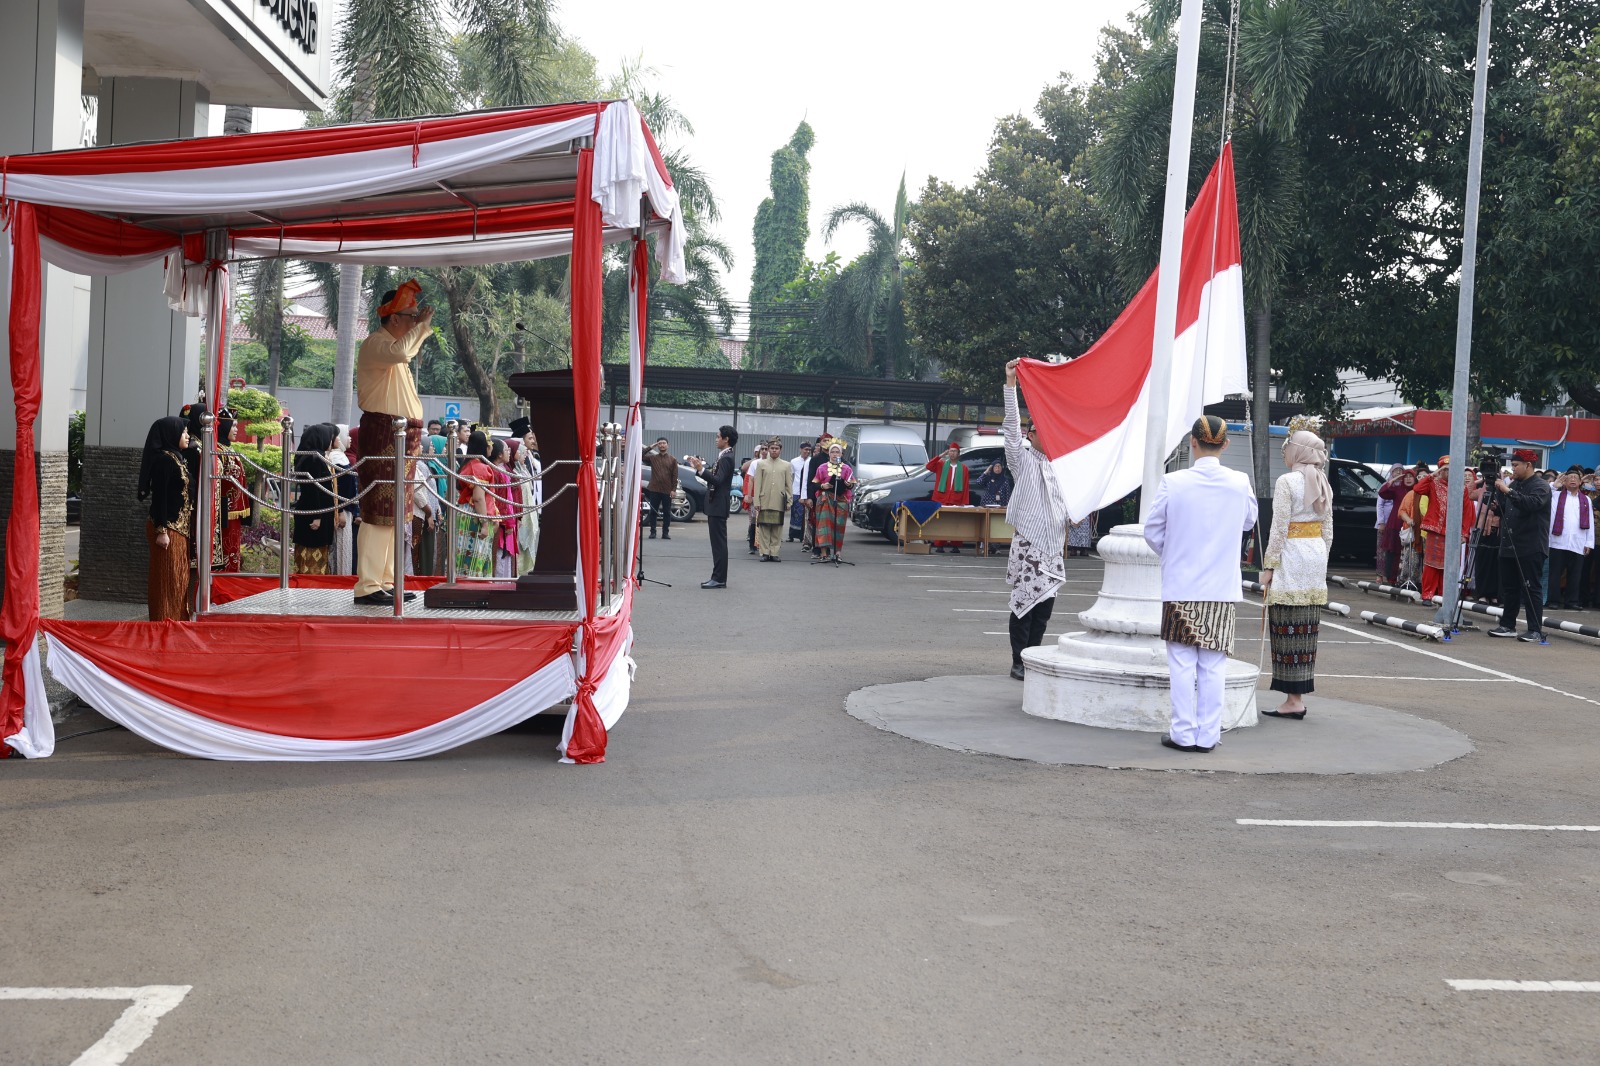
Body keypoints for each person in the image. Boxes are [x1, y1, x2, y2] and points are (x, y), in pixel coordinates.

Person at [1144, 414, 1258, 753]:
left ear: (1192, 442)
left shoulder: (1173, 482)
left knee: (1181, 664)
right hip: (1221, 588)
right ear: (1225, 444)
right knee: (1213, 664)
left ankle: (1182, 733)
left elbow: (1152, 531)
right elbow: (1249, 521)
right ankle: (1208, 735)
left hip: (1181, 586)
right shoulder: (1239, 482)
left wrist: (1173, 554)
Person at [354, 279, 430, 606]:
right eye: (411, 316)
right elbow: (402, 350)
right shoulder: (376, 344)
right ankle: (369, 584)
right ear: (394, 318)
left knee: (396, 512)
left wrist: (421, 327)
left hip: (400, 435)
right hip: (385, 433)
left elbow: (405, 350)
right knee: (379, 510)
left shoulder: (392, 351)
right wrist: (424, 327)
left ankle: (385, 581)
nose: (415, 322)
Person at [1001, 360, 1070, 681]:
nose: (1038, 431)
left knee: (1044, 609)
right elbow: (1012, 430)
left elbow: (1066, 503)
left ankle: (1032, 658)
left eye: (1041, 427)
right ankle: (1018, 661)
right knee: (1024, 604)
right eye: (1035, 428)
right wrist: (1011, 385)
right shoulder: (1022, 459)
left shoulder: (1061, 467)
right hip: (1029, 543)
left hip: (1053, 546)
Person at [1260, 426, 1334, 719]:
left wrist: (1268, 565)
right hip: (1314, 554)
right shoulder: (1323, 481)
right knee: (1307, 627)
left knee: (1285, 623)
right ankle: (1296, 697)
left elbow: (1278, 528)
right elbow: (1328, 529)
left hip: (1292, 554)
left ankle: (1292, 700)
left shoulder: (1287, 481)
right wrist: (1320, 557)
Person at [1487, 449, 1552, 641]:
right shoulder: (1515, 484)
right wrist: (1496, 505)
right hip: (1509, 543)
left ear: (1528, 465)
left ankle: (1535, 629)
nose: (1513, 469)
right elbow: (1507, 511)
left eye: (1516, 465)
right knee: (1510, 588)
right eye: (1512, 465)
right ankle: (1508, 625)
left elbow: (1531, 504)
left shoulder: (1541, 486)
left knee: (1531, 588)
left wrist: (1507, 491)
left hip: (1530, 545)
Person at [138, 415, 194, 621]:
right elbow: (159, 497)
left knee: (178, 580)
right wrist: (161, 531)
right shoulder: (164, 461)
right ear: (171, 434)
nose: (187, 436)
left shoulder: (177, 457)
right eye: (184, 432)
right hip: (167, 530)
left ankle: (176, 621)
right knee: (167, 581)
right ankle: (163, 623)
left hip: (179, 530)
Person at [1412, 457, 1474, 603]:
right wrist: (1433, 474)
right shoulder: (1433, 483)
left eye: (1450, 469)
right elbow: (1417, 489)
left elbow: (1467, 512)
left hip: (1453, 533)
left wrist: (1464, 533)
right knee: (1431, 565)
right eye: (1445, 469)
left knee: (1450, 566)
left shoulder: (1461, 487)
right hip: (1435, 530)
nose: (1448, 472)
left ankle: (1444, 596)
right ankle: (1427, 595)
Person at [690, 425, 737, 588]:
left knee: (719, 544)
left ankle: (719, 578)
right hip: (716, 504)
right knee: (717, 543)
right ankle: (717, 577)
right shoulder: (724, 455)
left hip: (718, 505)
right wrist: (700, 470)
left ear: (726, 439)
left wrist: (701, 469)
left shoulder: (727, 457)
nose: (716, 439)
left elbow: (717, 480)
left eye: (718, 437)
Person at [292, 422, 341, 575]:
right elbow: (313, 489)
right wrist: (317, 516)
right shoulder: (314, 459)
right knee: (312, 559)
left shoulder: (309, 456)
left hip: (315, 512)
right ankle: (312, 587)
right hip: (314, 516)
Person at [454, 431, 498, 579]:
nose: (491, 448)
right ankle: (473, 591)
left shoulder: (470, 464)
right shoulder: (479, 468)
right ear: (484, 447)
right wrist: (484, 524)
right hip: (476, 516)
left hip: (470, 513)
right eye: (489, 444)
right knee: (474, 557)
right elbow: (478, 498)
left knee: (467, 556)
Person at [1547, 468, 1592, 611]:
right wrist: (1555, 484)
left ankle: (1571, 601)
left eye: (1575, 477)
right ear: (1564, 481)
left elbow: (1590, 521)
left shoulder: (1586, 500)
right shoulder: (1555, 495)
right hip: (1558, 541)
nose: (1572, 479)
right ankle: (1553, 600)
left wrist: (1588, 543)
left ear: (1580, 482)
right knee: (1555, 573)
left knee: (1575, 574)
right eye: (1569, 477)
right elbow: (1546, 491)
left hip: (1578, 542)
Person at [811, 441, 856, 562]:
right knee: (824, 526)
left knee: (839, 527)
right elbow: (814, 484)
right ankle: (824, 553)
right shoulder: (822, 467)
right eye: (832, 452)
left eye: (837, 452)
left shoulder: (846, 468)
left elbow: (852, 484)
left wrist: (848, 485)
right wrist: (822, 486)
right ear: (829, 453)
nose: (835, 454)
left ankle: (837, 553)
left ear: (841, 454)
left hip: (841, 500)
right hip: (825, 499)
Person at [752, 438, 794, 561]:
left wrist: (789, 501)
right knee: (764, 528)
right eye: (772, 448)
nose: (774, 450)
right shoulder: (761, 464)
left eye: (777, 448)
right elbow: (757, 483)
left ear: (780, 450)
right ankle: (765, 552)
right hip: (764, 500)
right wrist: (757, 501)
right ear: (768, 450)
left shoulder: (786, 465)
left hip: (779, 500)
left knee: (777, 528)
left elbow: (789, 485)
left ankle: (774, 553)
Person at [925, 440, 970, 553]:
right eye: (950, 451)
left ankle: (956, 545)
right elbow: (929, 466)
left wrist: (964, 502)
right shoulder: (941, 464)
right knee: (941, 522)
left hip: (956, 499)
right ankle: (940, 545)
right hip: (941, 499)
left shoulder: (963, 468)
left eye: (954, 451)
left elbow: (965, 486)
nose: (952, 453)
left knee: (955, 523)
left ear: (958, 454)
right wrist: (940, 456)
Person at [508, 423, 540, 573]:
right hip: (518, 516)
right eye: (529, 438)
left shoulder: (526, 464)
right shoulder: (512, 471)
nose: (532, 442)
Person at [643, 435, 679, 540]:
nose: (662, 445)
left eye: (664, 443)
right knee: (653, 511)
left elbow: (675, 475)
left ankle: (665, 533)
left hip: (667, 490)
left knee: (667, 512)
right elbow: (640, 455)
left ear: (668, 445)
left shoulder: (672, 459)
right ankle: (653, 532)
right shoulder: (653, 458)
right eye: (660, 443)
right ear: (657, 445)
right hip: (654, 488)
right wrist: (651, 447)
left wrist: (673, 489)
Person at [803, 432, 831, 553]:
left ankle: (828, 548)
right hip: (817, 494)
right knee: (817, 522)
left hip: (832, 495)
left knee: (829, 523)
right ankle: (816, 548)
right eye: (824, 441)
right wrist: (808, 497)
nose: (826, 443)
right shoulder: (815, 460)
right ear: (820, 443)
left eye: (829, 441)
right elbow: (810, 480)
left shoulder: (835, 458)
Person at [788, 440, 813, 542]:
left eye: (809, 450)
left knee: (805, 515)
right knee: (795, 514)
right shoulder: (794, 461)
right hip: (796, 491)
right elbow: (790, 476)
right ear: (801, 449)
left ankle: (803, 536)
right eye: (805, 449)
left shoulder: (811, 461)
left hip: (806, 491)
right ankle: (792, 535)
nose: (807, 452)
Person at [744, 442, 765, 554]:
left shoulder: (775, 464)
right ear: (760, 451)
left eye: (767, 449)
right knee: (753, 521)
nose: (765, 451)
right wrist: (748, 495)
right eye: (763, 449)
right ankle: (752, 545)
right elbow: (749, 480)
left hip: (768, 497)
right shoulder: (755, 463)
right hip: (754, 496)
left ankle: (764, 545)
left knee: (766, 521)